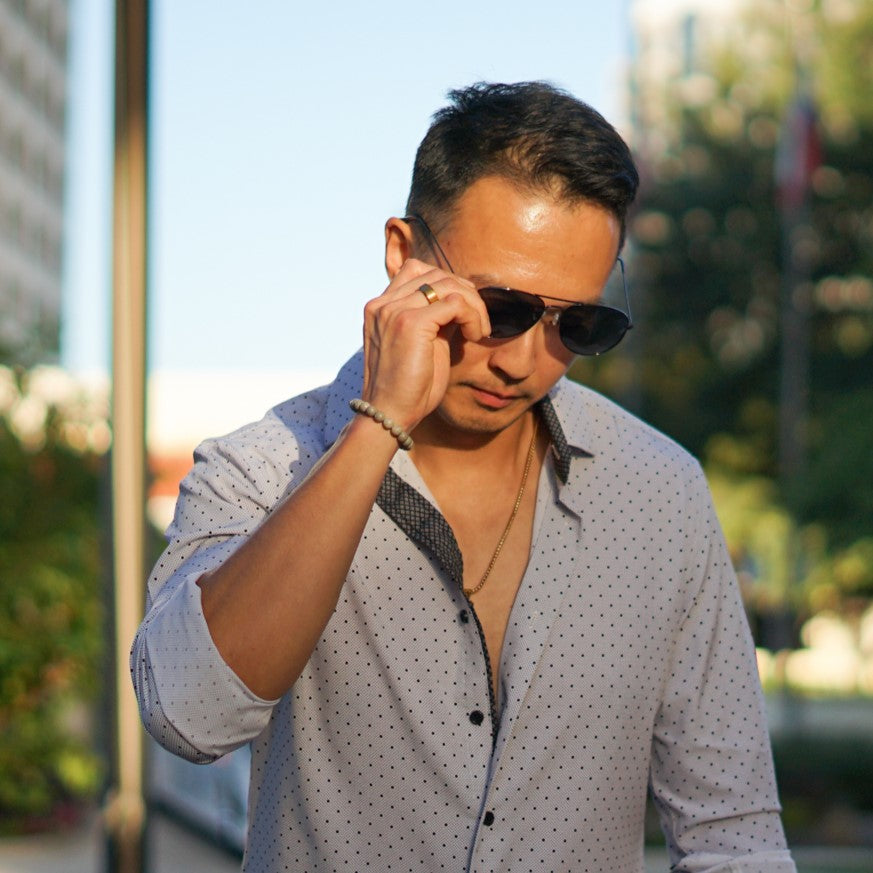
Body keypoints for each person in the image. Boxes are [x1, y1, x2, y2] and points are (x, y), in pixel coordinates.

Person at [131, 81, 796, 872]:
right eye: (501, 306)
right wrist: (377, 424)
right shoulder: (265, 464)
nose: (522, 359)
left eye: (576, 324)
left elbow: (732, 832)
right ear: (401, 254)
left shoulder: (659, 490)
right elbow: (188, 715)